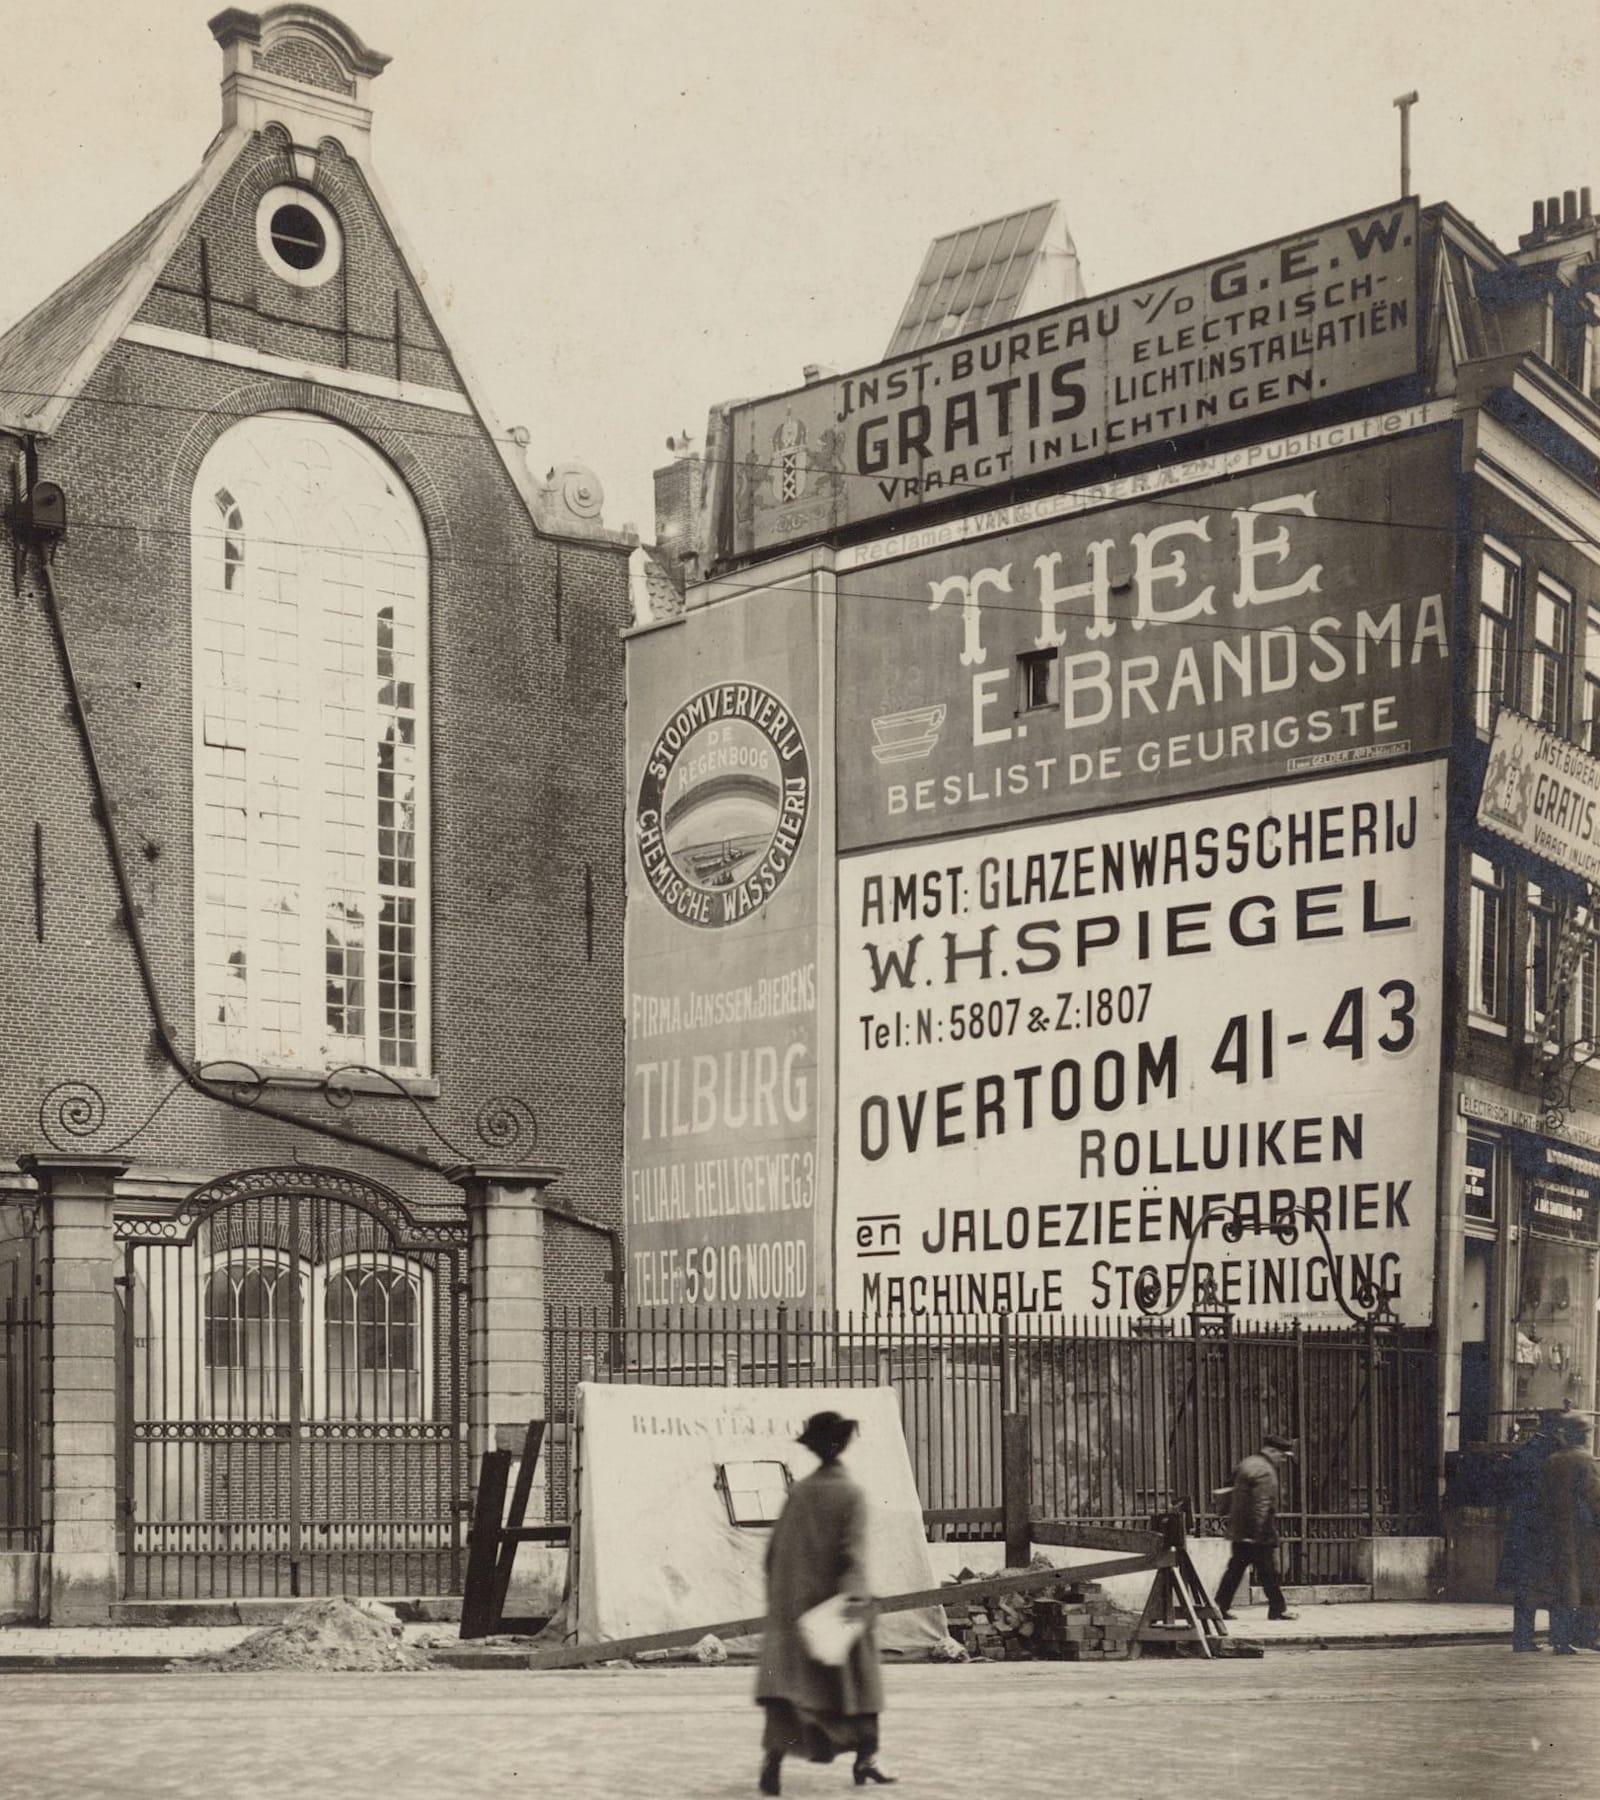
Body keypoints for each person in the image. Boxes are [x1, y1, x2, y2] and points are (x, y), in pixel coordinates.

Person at [756, 1410, 894, 1795]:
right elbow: (853, 1556)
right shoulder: (852, 1494)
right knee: (860, 1687)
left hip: (795, 1613)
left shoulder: (799, 1493)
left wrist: (785, 1601)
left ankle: (772, 1763)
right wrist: (855, 1602)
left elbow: (772, 1555)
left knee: (789, 1693)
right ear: (842, 1446)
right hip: (836, 1608)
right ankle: (866, 1759)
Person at [1213, 1432, 1300, 1623]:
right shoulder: (1265, 1471)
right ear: (1271, 1451)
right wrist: (1258, 1532)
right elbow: (1262, 1503)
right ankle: (1277, 1609)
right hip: (1257, 1532)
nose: (1282, 1460)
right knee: (1269, 1572)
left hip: (1240, 1529)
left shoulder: (1247, 1463)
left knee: (1235, 1570)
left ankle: (1220, 1607)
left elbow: (1228, 1489)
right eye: (1281, 1455)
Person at [1495, 1410, 1564, 1651]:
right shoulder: (1552, 1452)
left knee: (1527, 1584)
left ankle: (1523, 1638)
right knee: (1552, 1582)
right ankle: (1557, 1638)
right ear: (1556, 1428)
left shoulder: (1528, 1449)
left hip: (1524, 1526)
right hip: (1544, 1527)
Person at [1539, 1414, 1600, 1656]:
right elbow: (1594, 1496)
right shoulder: (1585, 1460)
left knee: (1561, 1585)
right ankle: (1587, 1636)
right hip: (1582, 1532)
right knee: (1589, 1583)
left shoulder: (1552, 1460)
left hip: (1555, 1530)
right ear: (1582, 1436)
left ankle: (1560, 1639)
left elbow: (1542, 1497)